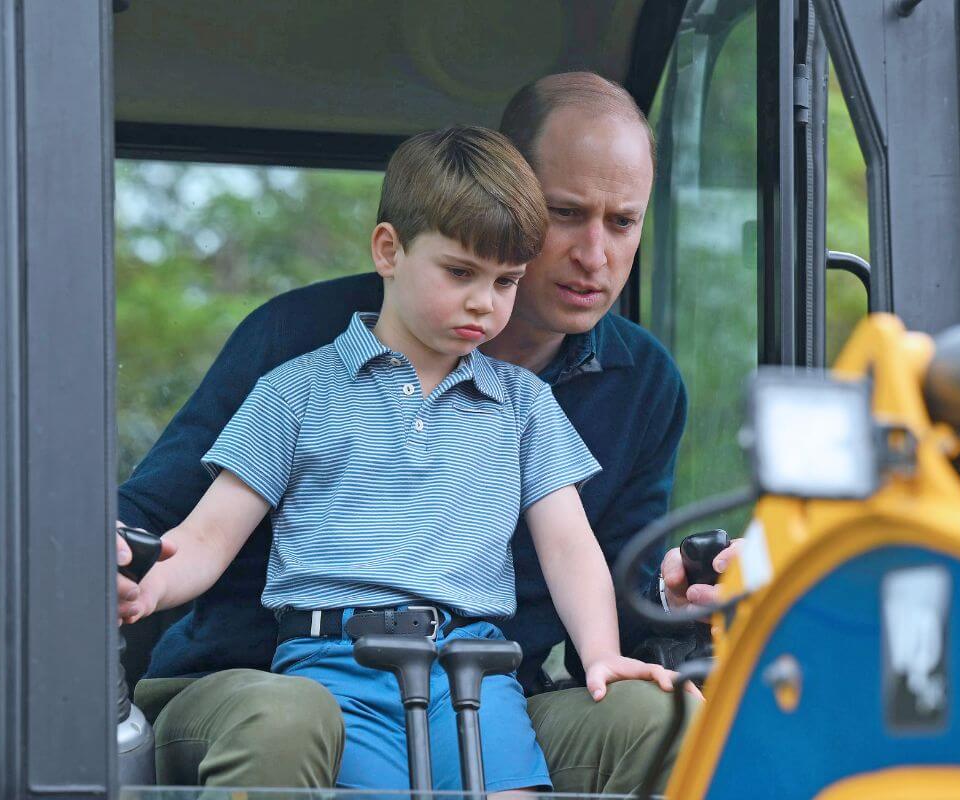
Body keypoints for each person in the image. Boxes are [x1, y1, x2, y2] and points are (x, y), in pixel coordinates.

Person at [119, 72, 695, 793]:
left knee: (669, 717)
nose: (595, 253)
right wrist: (130, 570)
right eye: (567, 213)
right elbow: (179, 526)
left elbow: (589, 564)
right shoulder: (298, 362)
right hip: (294, 675)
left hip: (481, 676)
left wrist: (658, 612)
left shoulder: (583, 396)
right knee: (295, 723)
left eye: (622, 222)